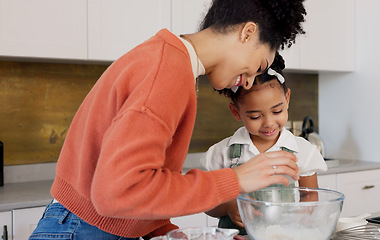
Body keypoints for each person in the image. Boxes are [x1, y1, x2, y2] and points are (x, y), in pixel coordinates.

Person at [28, 0, 307, 239]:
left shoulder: (167, 59)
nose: (247, 84)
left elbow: (135, 175)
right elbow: (117, 191)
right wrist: (235, 179)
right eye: (257, 66)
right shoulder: (168, 72)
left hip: (83, 225)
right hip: (83, 229)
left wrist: (161, 229)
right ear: (247, 33)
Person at [200, 53, 328, 235]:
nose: (268, 123)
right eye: (255, 116)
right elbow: (207, 202)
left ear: (287, 99)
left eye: (277, 111)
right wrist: (228, 206)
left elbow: (309, 194)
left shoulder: (302, 150)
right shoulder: (223, 153)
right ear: (236, 112)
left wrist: (301, 217)